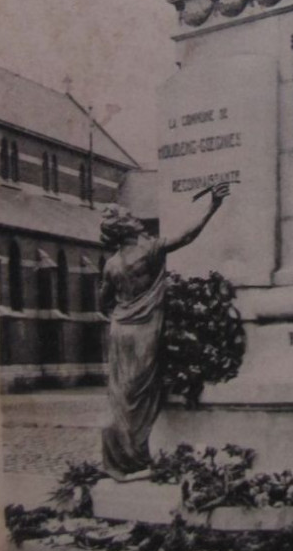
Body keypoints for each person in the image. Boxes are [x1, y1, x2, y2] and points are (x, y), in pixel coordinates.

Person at [98, 182, 231, 482]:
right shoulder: (148, 250)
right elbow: (187, 236)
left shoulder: (112, 264)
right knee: (139, 392)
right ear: (125, 228)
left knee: (122, 392)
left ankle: (120, 458)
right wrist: (212, 207)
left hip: (119, 329)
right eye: (131, 218)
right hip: (144, 328)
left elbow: (103, 301)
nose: (137, 219)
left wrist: (120, 310)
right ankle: (134, 459)